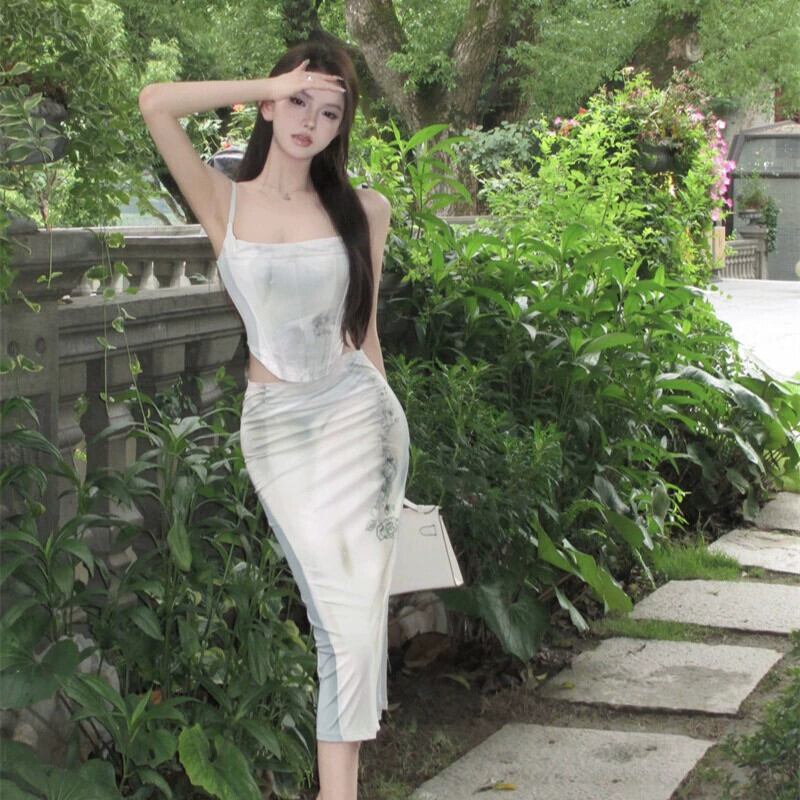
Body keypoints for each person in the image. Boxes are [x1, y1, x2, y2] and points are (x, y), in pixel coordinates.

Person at [139, 39, 411, 800]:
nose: (310, 122)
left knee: (349, 625)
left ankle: (337, 794)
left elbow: (365, 334)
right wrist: (268, 80)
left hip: (361, 419)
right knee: (336, 614)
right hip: (279, 432)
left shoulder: (364, 211)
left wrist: (396, 439)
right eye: (297, 101)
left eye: (329, 112)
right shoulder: (222, 200)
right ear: (268, 103)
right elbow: (156, 103)